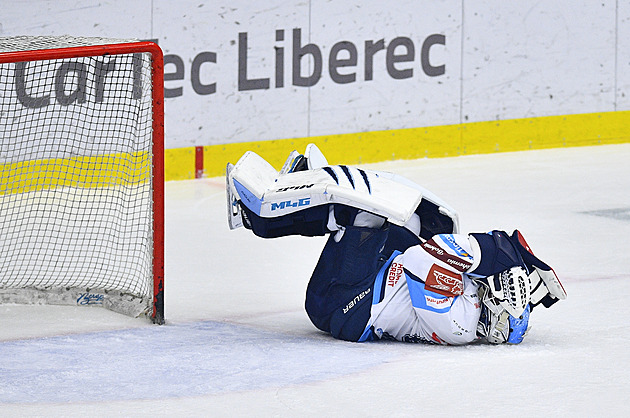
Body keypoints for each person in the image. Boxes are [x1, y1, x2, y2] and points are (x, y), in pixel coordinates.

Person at [226, 144, 566, 345]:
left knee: (369, 214)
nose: (492, 282)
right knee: (413, 219)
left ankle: (257, 218)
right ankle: (306, 183)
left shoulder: (461, 322)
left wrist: (491, 251)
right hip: (369, 286)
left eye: (499, 285)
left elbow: (422, 259)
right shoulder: (474, 309)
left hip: (346, 307)